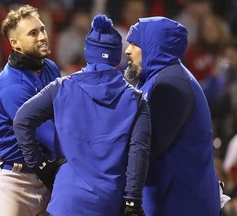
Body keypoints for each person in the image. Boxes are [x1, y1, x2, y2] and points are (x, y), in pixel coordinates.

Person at [13, 14, 151, 216]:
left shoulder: (61, 87)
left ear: (88, 51)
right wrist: (132, 200)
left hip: (66, 200)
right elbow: (138, 153)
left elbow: (22, 120)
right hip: (109, 202)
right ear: (117, 55)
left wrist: (40, 165)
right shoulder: (137, 100)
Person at [124, 16, 222, 215]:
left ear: (153, 46)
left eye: (135, 44)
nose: (127, 50)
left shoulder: (173, 83)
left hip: (182, 205)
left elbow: (148, 146)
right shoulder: (159, 78)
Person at [0, 5, 61, 216]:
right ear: (15, 44)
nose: (42, 36)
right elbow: (48, 135)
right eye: (33, 33)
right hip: (9, 181)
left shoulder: (49, 67)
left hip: (42, 176)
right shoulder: (12, 86)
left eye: (42, 29)